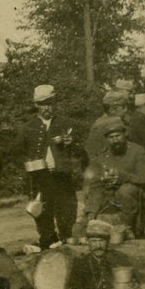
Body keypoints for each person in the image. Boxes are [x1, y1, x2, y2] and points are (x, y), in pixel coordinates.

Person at [19, 84, 86, 247]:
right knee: (42, 212)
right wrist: (28, 164)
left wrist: (72, 143)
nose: (47, 107)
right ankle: (48, 241)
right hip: (39, 176)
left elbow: (80, 152)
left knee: (66, 211)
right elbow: (18, 153)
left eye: (50, 103)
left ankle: (66, 239)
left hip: (62, 175)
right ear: (36, 105)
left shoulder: (66, 123)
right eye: (42, 104)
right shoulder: (28, 127)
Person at [85, 115, 145, 240]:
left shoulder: (137, 151)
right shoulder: (103, 156)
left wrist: (122, 177)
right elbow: (95, 185)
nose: (115, 140)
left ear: (124, 135)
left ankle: (128, 227)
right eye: (111, 138)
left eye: (118, 136)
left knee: (126, 190)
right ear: (106, 140)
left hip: (138, 195)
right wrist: (91, 211)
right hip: (112, 196)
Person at [84, 89, 133, 160]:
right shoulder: (114, 122)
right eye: (124, 107)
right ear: (112, 110)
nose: (126, 110)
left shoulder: (100, 121)